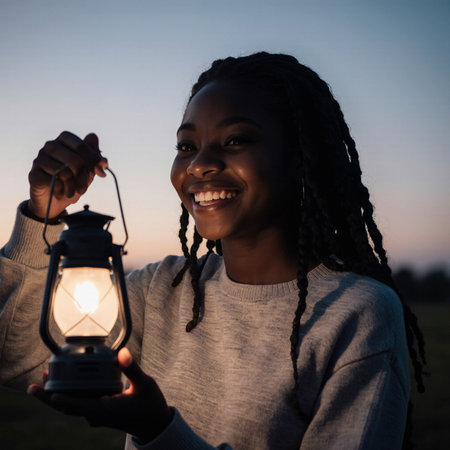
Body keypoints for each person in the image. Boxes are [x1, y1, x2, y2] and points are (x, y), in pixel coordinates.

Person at [0, 52, 426, 449]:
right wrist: (44, 213)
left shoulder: (355, 314)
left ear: (301, 158)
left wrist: (159, 431)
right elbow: (16, 359)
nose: (199, 164)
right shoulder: (163, 290)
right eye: (186, 146)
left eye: (235, 140)